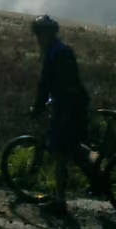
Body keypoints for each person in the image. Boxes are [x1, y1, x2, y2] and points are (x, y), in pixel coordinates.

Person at [29, 14, 97, 213]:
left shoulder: (54, 54)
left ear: (46, 34)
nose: (37, 39)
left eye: (39, 34)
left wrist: (38, 107)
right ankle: (97, 178)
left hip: (68, 108)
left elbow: (46, 84)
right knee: (74, 147)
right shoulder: (62, 50)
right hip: (75, 104)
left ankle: (60, 201)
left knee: (59, 154)